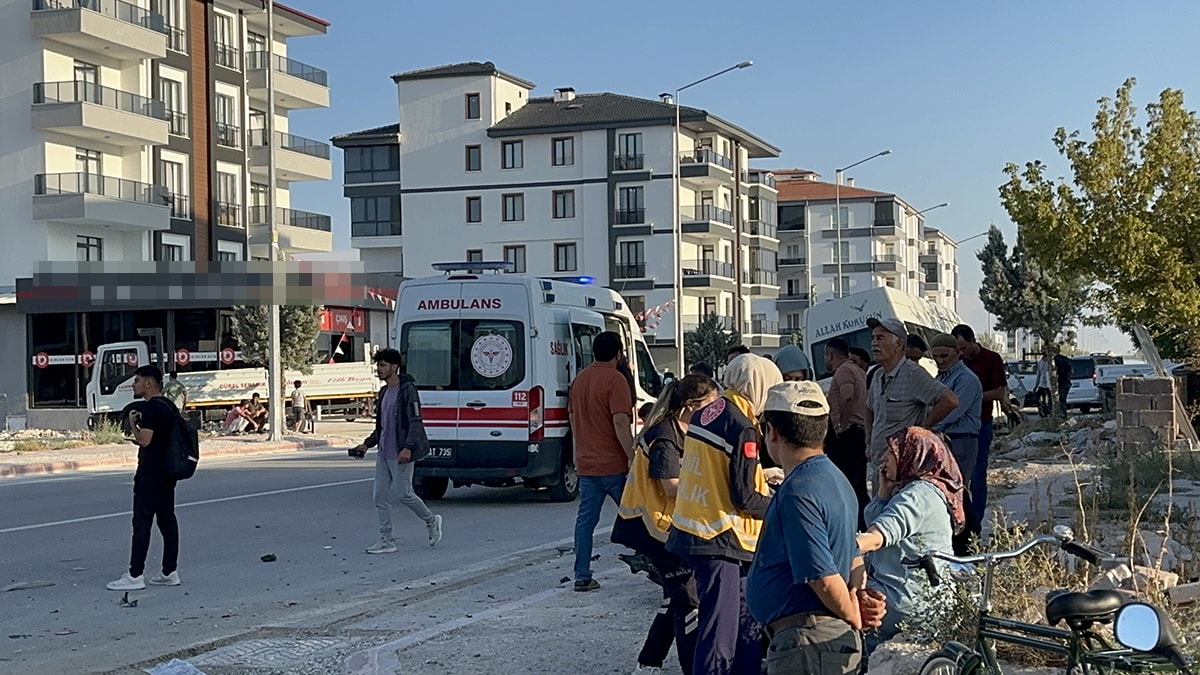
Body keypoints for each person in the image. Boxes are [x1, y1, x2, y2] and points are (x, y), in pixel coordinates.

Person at [746, 381, 886, 675]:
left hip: (808, 643)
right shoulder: (835, 479)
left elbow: (822, 578)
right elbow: (852, 554)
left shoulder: (799, 491)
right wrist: (858, 600)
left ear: (772, 432)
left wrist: (854, 617)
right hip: (818, 640)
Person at [667, 353, 781, 675]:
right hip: (718, 535)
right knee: (721, 631)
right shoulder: (743, 426)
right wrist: (780, 505)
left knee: (744, 621)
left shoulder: (708, 413)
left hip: (696, 527)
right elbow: (744, 497)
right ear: (758, 387)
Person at [614, 374, 719, 675]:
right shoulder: (664, 436)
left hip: (666, 525)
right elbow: (671, 485)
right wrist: (711, 484)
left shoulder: (686, 430)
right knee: (689, 598)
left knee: (676, 595)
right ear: (690, 406)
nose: (715, 411)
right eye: (711, 406)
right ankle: (694, 668)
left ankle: (649, 662)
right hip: (652, 527)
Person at [856, 427, 963, 653]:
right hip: (925, 593)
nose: (884, 457)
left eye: (893, 451)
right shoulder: (923, 489)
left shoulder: (916, 495)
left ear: (913, 454)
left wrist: (842, 547)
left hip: (906, 597)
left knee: (832, 601)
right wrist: (883, 494)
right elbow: (879, 520)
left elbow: (878, 536)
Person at [350, 348, 443, 553]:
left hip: (401, 453)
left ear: (394, 367)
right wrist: (366, 444)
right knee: (379, 496)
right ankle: (386, 540)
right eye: (378, 365)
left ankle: (431, 521)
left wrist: (408, 448)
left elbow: (415, 421)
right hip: (384, 453)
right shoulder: (383, 392)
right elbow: (381, 426)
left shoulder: (407, 389)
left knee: (404, 494)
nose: (379, 369)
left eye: (383, 365)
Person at [568, 331, 635, 592]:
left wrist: (577, 453)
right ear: (618, 354)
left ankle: (581, 574)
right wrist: (632, 456)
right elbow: (620, 421)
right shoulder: (615, 380)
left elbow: (573, 420)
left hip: (587, 464)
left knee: (585, 522)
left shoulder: (580, 380)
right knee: (636, 516)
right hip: (614, 464)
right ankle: (655, 563)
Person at [107, 365, 183, 591]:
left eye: (138, 380)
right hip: (167, 472)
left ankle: (134, 575)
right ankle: (169, 571)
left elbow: (145, 440)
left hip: (150, 474)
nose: (134, 384)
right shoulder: (169, 406)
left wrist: (133, 424)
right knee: (167, 521)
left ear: (149, 383)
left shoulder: (150, 408)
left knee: (142, 522)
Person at [865, 318, 958, 496]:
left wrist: (921, 431)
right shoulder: (877, 375)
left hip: (904, 471)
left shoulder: (913, 374)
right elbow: (869, 408)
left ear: (899, 344)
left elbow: (950, 400)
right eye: (873, 338)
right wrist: (868, 441)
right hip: (880, 466)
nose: (874, 343)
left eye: (881, 338)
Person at [951, 324, 1008, 537]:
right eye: (958, 349)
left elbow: (999, 392)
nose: (961, 353)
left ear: (973, 340)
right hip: (955, 428)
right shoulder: (957, 363)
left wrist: (972, 396)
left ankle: (976, 523)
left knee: (977, 474)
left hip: (980, 424)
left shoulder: (991, 359)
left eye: (964, 347)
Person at [929, 333, 983, 555]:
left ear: (958, 353)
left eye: (945, 355)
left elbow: (952, 410)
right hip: (943, 439)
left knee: (958, 490)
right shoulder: (941, 377)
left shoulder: (966, 379)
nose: (941, 360)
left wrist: (924, 425)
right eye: (936, 356)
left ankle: (970, 543)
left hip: (961, 441)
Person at [824, 337, 870, 529]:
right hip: (860, 431)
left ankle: (853, 526)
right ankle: (864, 524)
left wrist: (841, 424)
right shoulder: (859, 371)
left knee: (847, 485)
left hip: (848, 434)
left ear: (831, 355)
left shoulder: (843, 371)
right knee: (858, 486)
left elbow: (847, 395)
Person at [1053, 347, 1073, 417]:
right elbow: (1071, 371)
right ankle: (1064, 415)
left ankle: (1062, 415)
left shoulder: (1054, 360)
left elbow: (1054, 372)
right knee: (1063, 400)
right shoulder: (1066, 359)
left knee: (1060, 400)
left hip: (1060, 383)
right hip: (1067, 382)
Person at [1035, 348, 1053, 417]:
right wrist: (1036, 385)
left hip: (1049, 385)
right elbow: (1038, 374)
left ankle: (1050, 411)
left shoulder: (1051, 362)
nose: (1044, 352)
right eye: (1042, 350)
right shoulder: (1040, 362)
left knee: (1050, 399)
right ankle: (1042, 410)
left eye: (1045, 350)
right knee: (1037, 398)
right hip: (1042, 384)